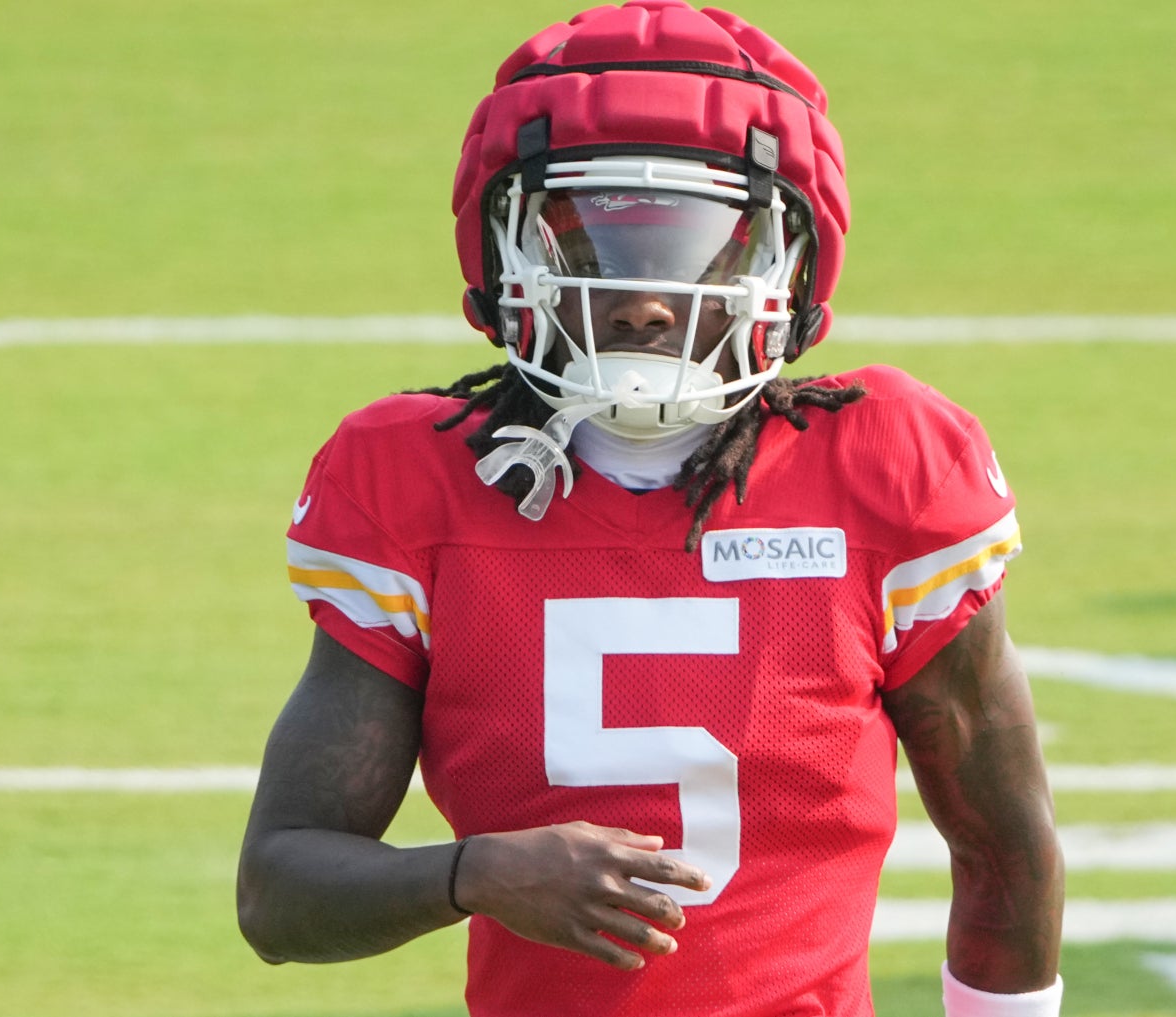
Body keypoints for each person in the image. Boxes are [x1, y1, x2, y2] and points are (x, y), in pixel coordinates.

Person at [236, 2, 1065, 1014]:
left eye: (696, 244)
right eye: (593, 242)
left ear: (787, 263)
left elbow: (1004, 851)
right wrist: (473, 875)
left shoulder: (883, 463)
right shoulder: (416, 479)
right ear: (503, 258)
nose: (643, 297)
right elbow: (279, 892)